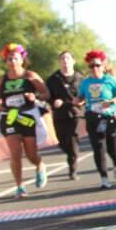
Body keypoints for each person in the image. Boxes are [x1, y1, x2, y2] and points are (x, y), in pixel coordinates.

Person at [0, 43, 50, 198]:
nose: (12, 61)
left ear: (22, 59)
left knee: (31, 154)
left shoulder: (30, 76)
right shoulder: (1, 80)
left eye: (15, 58)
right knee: (15, 152)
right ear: (6, 62)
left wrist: (35, 97)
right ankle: (20, 187)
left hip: (28, 116)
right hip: (10, 117)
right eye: (9, 59)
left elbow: (46, 94)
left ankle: (39, 164)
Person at [78, 50, 116, 189]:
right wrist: (78, 100)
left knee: (112, 145)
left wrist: (112, 101)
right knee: (98, 147)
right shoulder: (86, 82)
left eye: (97, 65)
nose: (94, 68)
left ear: (103, 65)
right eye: (91, 66)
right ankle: (104, 178)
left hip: (108, 116)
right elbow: (81, 97)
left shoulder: (110, 80)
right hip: (92, 116)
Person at [46, 51, 84, 180]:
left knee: (73, 139)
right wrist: (52, 101)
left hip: (76, 113)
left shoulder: (80, 78)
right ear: (59, 62)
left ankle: (72, 170)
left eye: (67, 58)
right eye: (62, 58)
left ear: (73, 61)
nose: (65, 61)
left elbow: (86, 95)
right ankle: (71, 155)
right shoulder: (53, 79)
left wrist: (81, 101)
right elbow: (47, 95)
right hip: (60, 114)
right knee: (62, 141)